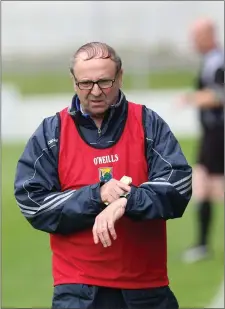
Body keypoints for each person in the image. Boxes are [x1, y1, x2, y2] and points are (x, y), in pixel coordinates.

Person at [14, 42, 192, 309]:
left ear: (120, 77)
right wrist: (96, 195)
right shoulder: (52, 132)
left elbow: (178, 185)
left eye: (104, 81)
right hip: (77, 291)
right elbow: (31, 201)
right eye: (86, 83)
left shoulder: (147, 123)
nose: (95, 91)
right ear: (73, 82)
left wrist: (126, 200)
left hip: (146, 289)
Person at [178, 18, 224, 263]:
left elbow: (219, 95)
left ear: (209, 35)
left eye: (196, 36)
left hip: (219, 134)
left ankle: (203, 245)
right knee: (202, 184)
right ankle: (202, 245)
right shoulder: (210, 60)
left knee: (210, 186)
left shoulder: (218, 61)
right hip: (211, 134)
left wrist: (191, 98)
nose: (193, 42)